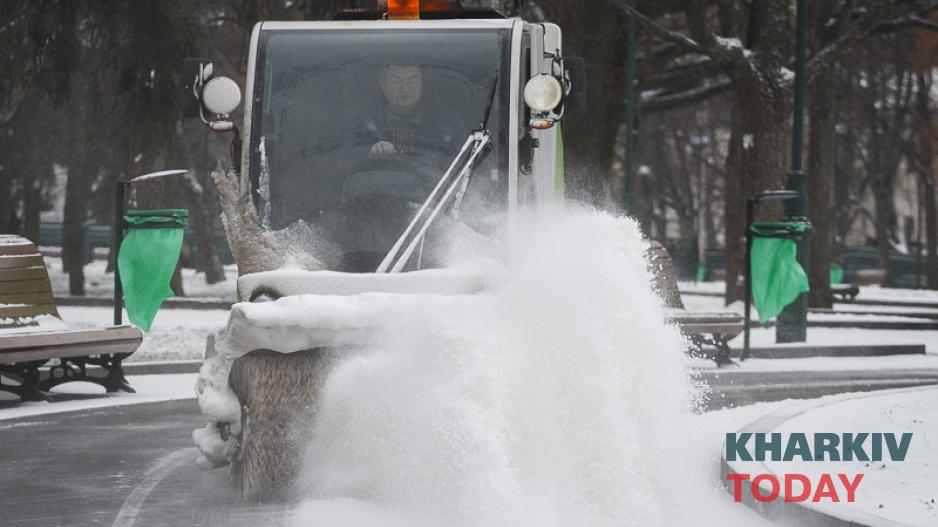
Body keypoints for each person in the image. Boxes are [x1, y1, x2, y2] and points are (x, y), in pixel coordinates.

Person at [362, 65, 465, 158]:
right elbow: (348, 156)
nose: (405, 89)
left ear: (422, 84)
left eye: (412, 81)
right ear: (383, 84)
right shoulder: (361, 119)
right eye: (396, 81)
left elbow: (462, 163)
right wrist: (371, 153)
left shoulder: (449, 122)